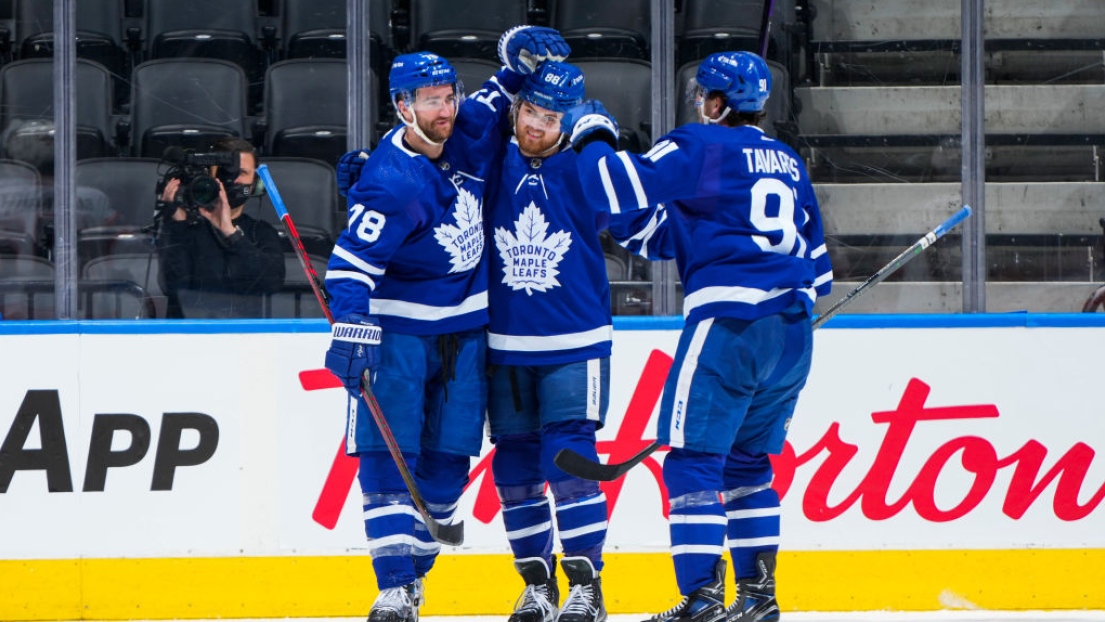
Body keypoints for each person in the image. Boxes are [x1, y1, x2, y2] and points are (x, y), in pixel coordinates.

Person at [563, 51, 834, 622]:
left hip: (728, 327)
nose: (697, 105)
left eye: (701, 97)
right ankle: (758, 599)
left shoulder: (702, 145)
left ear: (716, 103)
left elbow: (612, 185)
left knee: (691, 465)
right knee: (747, 466)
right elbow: (819, 270)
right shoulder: (788, 161)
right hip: (790, 334)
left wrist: (592, 135)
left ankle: (701, 599)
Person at [321, 28, 570, 622]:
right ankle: (394, 587)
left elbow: (499, 86)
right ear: (402, 106)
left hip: (465, 334)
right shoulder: (390, 181)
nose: (444, 108)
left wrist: (514, 55)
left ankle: (415, 575)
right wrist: (351, 327)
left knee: (447, 470)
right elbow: (350, 266)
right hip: (402, 334)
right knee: (387, 458)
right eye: (430, 100)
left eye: (447, 96)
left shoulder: (472, 130)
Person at [485, 60, 621, 622]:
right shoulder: (490, 159)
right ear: (516, 108)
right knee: (515, 469)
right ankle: (537, 585)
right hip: (504, 344)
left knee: (569, 462)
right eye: (529, 112)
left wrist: (603, 144)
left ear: (570, 118)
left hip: (575, 340)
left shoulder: (586, 165)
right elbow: (444, 136)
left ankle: (586, 587)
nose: (536, 125)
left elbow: (629, 206)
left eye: (549, 116)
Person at [155, 137, 285, 318]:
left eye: (242, 173)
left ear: (255, 183)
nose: (233, 180)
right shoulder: (184, 227)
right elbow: (172, 286)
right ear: (211, 175)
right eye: (226, 173)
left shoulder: (261, 233)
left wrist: (231, 233)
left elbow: (272, 283)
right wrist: (177, 222)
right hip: (189, 337)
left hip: (245, 337)